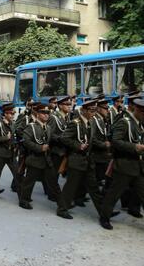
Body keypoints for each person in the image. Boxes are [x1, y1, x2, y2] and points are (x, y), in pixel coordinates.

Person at [19, 103, 72, 219]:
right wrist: (39, 148)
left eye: (48, 113)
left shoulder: (48, 128)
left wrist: (66, 139)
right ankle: (24, 200)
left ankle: (62, 208)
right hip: (34, 159)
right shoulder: (31, 127)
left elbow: (54, 137)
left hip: (46, 160)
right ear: (37, 114)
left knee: (54, 183)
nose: (46, 115)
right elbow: (26, 141)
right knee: (29, 182)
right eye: (43, 113)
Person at [100, 98, 144, 230]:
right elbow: (115, 141)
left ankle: (133, 209)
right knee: (114, 194)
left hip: (138, 166)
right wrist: (134, 147)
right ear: (136, 109)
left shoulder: (139, 124)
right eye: (142, 112)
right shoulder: (125, 122)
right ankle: (104, 217)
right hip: (124, 165)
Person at [59, 99, 104, 217]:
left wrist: (104, 145)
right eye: (91, 110)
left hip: (88, 160)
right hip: (76, 160)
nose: (93, 112)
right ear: (83, 110)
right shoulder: (75, 123)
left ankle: (104, 212)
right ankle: (62, 209)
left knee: (94, 187)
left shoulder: (92, 122)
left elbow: (92, 138)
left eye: (95, 110)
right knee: (71, 186)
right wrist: (78, 145)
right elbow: (64, 138)